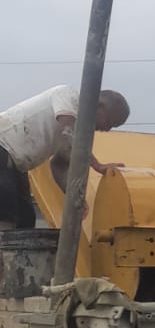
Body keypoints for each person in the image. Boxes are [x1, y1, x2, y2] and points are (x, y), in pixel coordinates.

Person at [0, 86, 130, 230]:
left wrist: (73, 198)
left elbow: (59, 165)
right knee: (5, 212)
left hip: (16, 163)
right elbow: (67, 129)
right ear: (99, 105)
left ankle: (14, 244)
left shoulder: (73, 133)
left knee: (25, 219)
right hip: (2, 146)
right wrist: (97, 165)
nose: (107, 129)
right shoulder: (67, 95)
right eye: (110, 121)